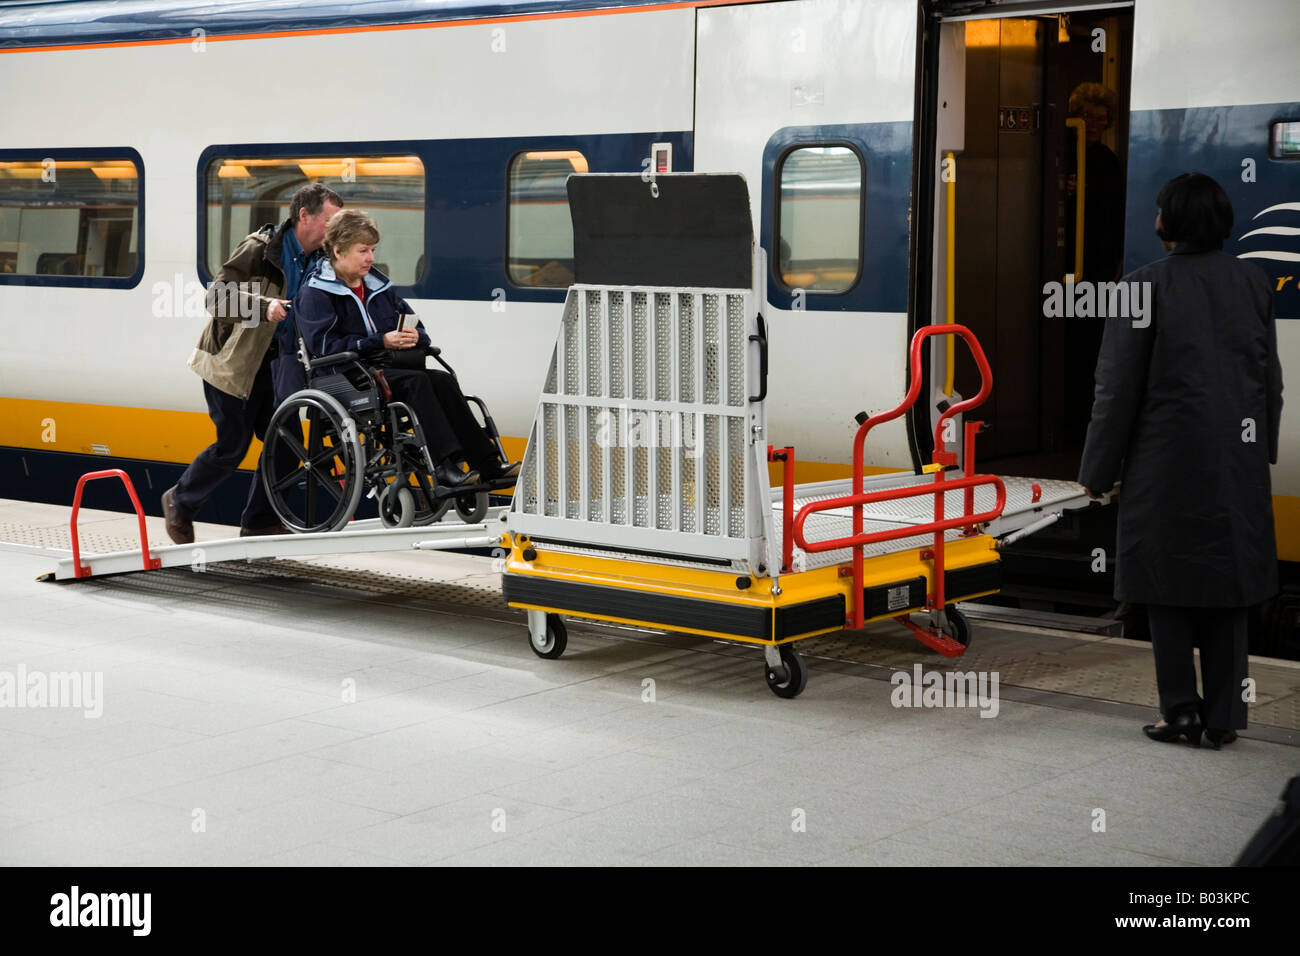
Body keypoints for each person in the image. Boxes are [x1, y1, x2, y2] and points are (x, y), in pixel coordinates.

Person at [1079, 172, 1283, 749]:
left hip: (1164, 462)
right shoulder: (1253, 281)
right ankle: (1224, 719)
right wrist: (1260, 448)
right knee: (1229, 584)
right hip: (1235, 463)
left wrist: (1097, 470)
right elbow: (1269, 379)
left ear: (1168, 222)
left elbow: (1116, 390)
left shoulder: (1141, 288)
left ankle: (1181, 713)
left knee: (1163, 584)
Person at [162, 183, 343, 542]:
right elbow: (215, 299)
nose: (334, 230)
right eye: (330, 221)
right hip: (233, 366)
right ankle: (179, 502)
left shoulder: (321, 261)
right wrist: (264, 307)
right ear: (303, 216)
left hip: (278, 369)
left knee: (286, 444)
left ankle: (258, 522)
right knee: (232, 446)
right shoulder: (260, 250)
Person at [294, 209, 519, 489]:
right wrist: (381, 341)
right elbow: (324, 347)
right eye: (363, 250)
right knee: (419, 384)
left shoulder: (379, 288)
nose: (371, 258)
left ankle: (488, 464)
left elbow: (420, 329)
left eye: (373, 250)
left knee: (443, 380)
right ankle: (444, 468)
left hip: (384, 369)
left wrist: (414, 338)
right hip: (346, 376)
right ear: (339, 251)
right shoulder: (315, 293)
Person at [1064, 82, 1127, 446]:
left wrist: (1119, 259)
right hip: (1064, 265)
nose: (1094, 124)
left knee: (1093, 345)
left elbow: (1116, 212)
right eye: (1087, 116)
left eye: (1101, 119)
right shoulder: (1058, 154)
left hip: (1099, 265)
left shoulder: (1106, 160)